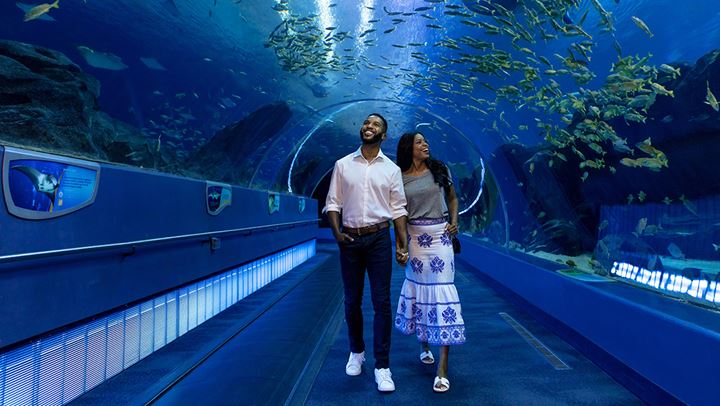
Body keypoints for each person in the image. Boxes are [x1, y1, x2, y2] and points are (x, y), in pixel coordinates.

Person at [324, 113, 409, 392]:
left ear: (383, 135)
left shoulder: (392, 169)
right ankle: (356, 351)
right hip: (349, 238)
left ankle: (382, 366)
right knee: (351, 301)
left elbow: (398, 209)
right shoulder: (342, 165)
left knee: (382, 302)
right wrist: (337, 234)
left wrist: (402, 243)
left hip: (378, 239)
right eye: (366, 123)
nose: (368, 127)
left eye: (375, 125)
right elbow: (333, 202)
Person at [393, 131, 465, 393]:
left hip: (441, 238)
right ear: (408, 148)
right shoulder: (398, 177)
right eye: (420, 142)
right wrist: (400, 246)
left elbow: (453, 199)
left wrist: (454, 222)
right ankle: (424, 343)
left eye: (426, 141)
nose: (426, 144)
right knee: (420, 292)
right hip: (414, 239)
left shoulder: (440, 169)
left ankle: (442, 368)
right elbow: (397, 215)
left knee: (442, 292)